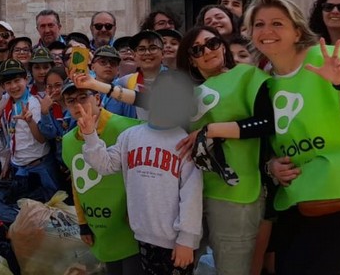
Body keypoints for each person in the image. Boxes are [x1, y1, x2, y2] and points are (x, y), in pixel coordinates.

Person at [245, 0, 340, 275]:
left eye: (277, 23)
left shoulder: (338, 57)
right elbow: (270, 141)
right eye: (258, 24)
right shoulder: (263, 81)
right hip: (301, 199)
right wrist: (272, 166)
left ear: (297, 29)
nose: (267, 32)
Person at [78, 71, 203, 274]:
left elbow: (192, 196)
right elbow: (105, 165)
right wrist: (90, 135)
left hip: (176, 243)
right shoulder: (130, 136)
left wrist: (187, 240)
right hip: (142, 235)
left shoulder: (184, 142)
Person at [174, 26, 272, 274]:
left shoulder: (247, 75)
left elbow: (267, 123)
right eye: (198, 49)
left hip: (236, 192)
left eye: (212, 43)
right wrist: (102, 88)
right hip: (193, 193)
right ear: (191, 59)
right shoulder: (191, 93)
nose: (207, 51)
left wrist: (212, 130)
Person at [61, 78, 143, 275]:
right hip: (99, 226)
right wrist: (82, 224)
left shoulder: (128, 128)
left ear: (97, 98)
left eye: (83, 97)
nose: (78, 105)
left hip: (131, 225)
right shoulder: (68, 140)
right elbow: (76, 184)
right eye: (71, 100)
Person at [0, 59, 59, 193]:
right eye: (8, 83)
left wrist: (30, 121)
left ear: (26, 79)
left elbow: (42, 139)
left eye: (17, 81)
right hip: (18, 166)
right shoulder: (7, 106)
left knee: (48, 207)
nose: (13, 86)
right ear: (3, 87)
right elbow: (12, 136)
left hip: (39, 166)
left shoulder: (34, 104)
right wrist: (7, 163)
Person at [114, 31, 167, 119]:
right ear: (134, 55)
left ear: (163, 53)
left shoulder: (175, 79)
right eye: (141, 49)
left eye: (153, 48)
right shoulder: (125, 82)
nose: (147, 53)